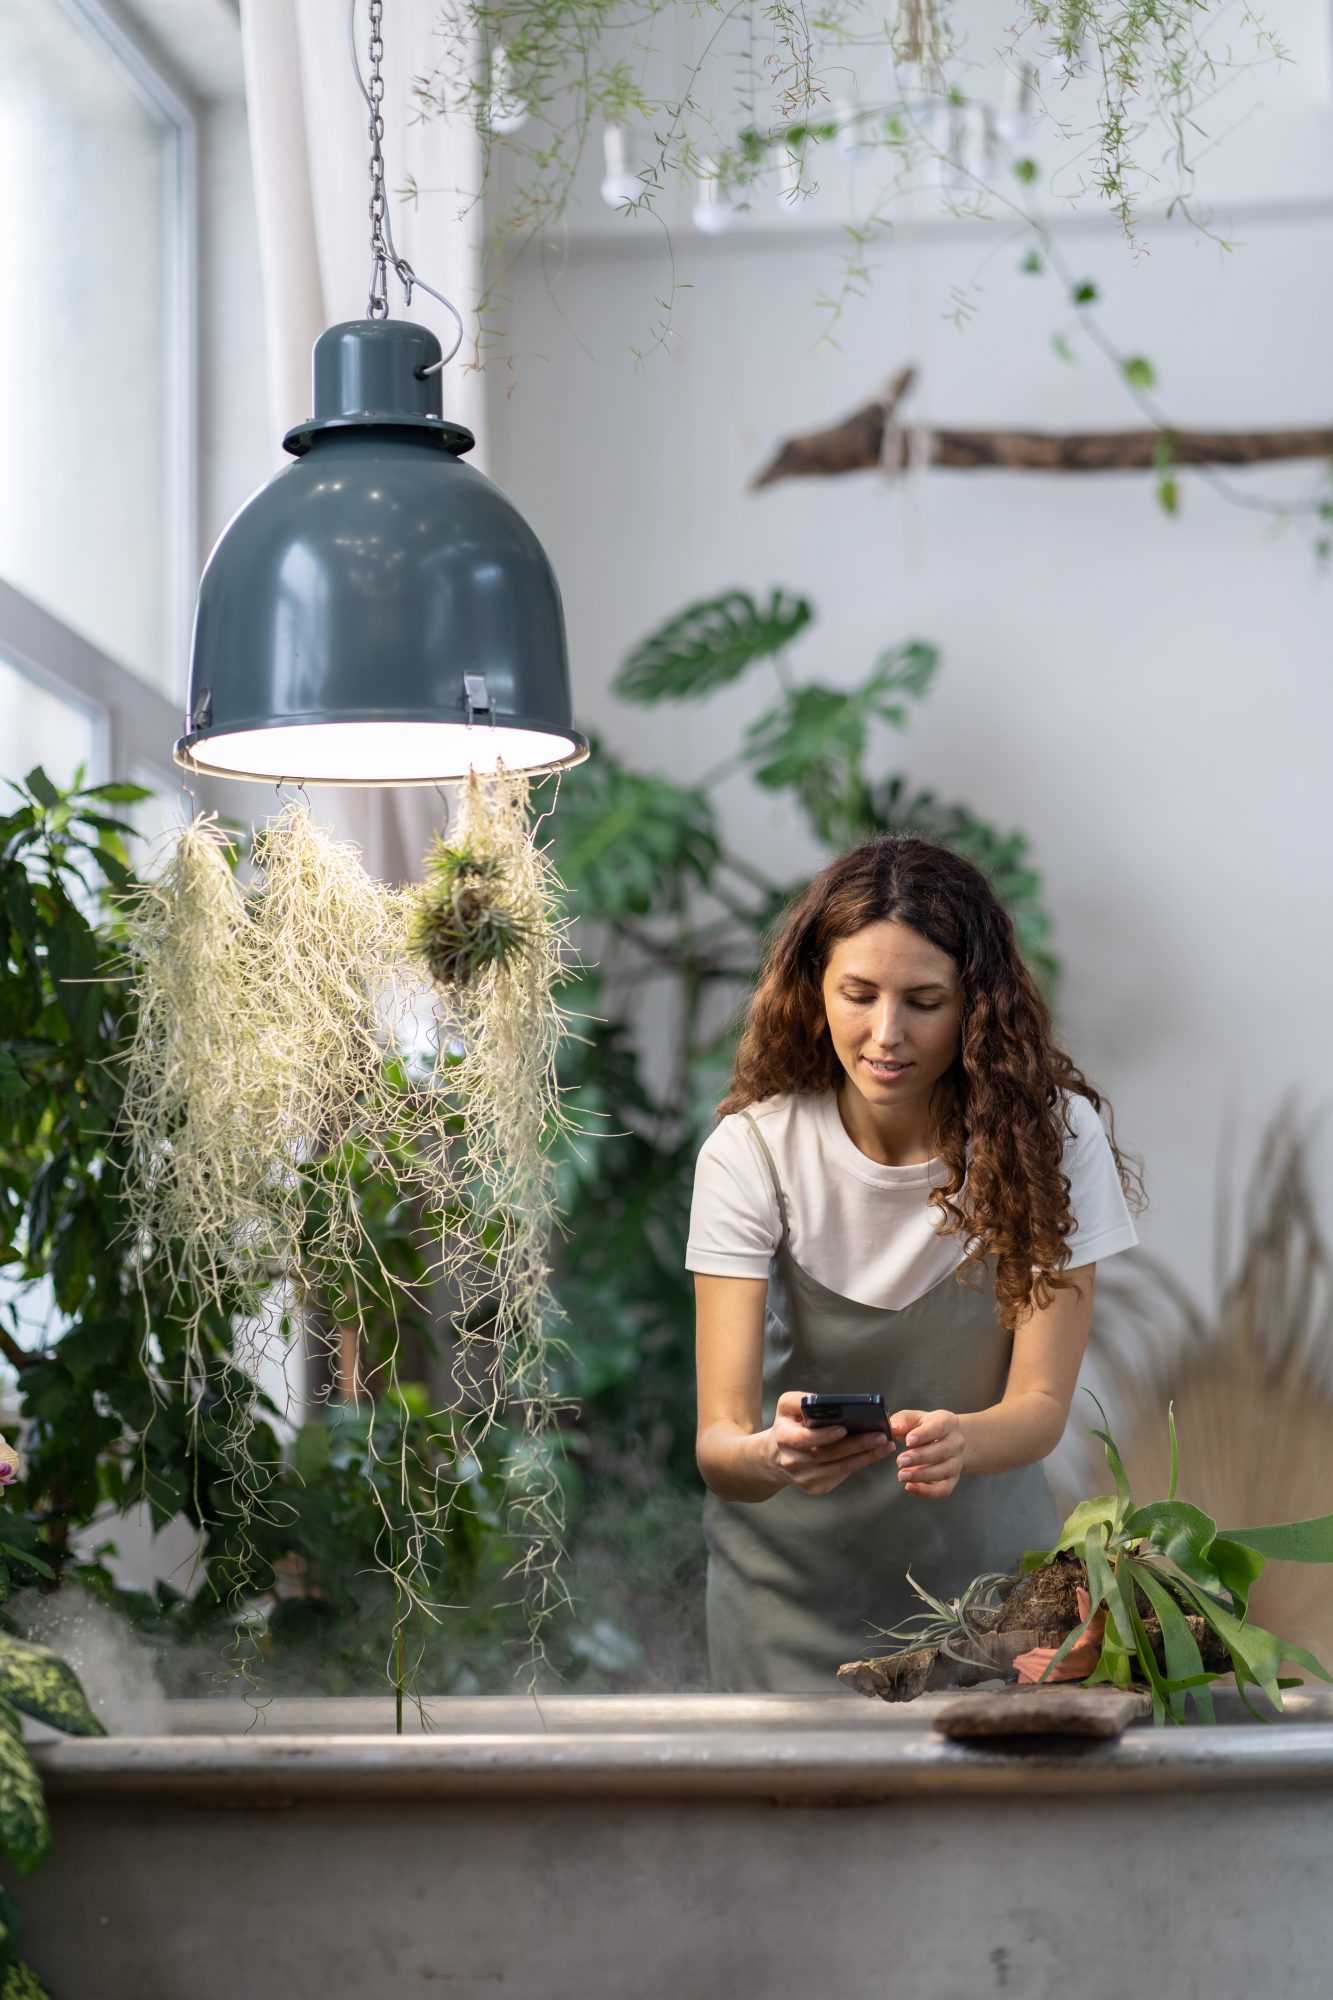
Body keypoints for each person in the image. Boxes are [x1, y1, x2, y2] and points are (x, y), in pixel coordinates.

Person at [689, 834, 1143, 1692]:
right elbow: (718, 1446)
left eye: (925, 1001)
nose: (885, 1035)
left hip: (986, 1605)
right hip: (783, 1603)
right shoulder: (751, 1153)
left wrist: (960, 1441)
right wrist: (776, 1453)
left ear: (976, 1005)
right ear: (812, 991)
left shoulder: (1050, 1142)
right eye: (856, 995)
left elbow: (1040, 1407)